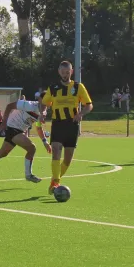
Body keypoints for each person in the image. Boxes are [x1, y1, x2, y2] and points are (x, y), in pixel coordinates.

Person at [41, 61, 94, 195]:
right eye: (63, 72)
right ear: (59, 72)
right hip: (58, 123)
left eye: (67, 72)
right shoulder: (53, 87)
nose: (65, 74)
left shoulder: (78, 86)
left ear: (71, 72)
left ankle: (54, 180)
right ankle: (56, 182)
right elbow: (44, 103)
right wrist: (42, 113)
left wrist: (81, 114)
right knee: (56, 151)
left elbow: (89, 105)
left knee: (68, 159)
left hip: (72, 125)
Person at [0, 98, 51, 183]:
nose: (46, 105)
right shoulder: (29, 105)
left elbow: (38, 127)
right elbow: (9, 106)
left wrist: (45, 142)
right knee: (32, 148)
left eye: (48, 103)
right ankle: (28, 175)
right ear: (40, 100)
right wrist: (4, 123)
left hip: (18, 130)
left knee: (3, 153)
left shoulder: (43, 113)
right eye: (45, 102)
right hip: (12, 128)